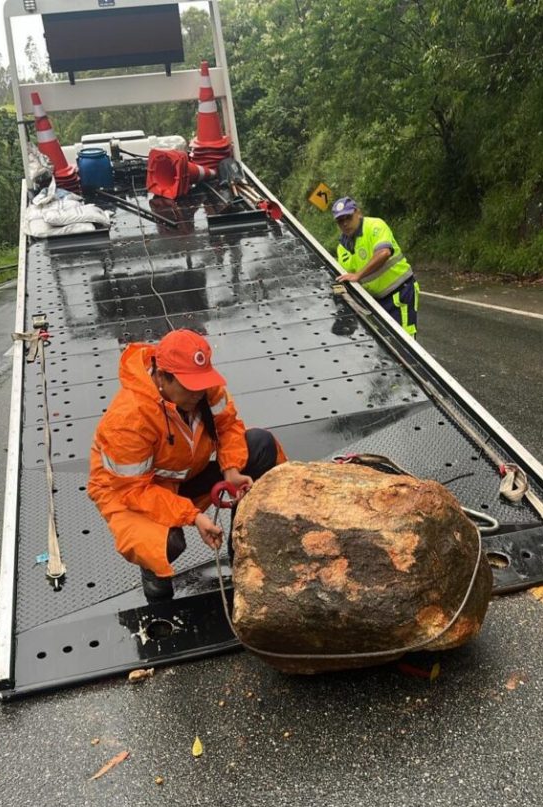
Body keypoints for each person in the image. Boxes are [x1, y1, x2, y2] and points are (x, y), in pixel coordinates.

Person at [88, 329, 285, 602]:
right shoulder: (128, 419)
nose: (199, 393)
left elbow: (228, 426)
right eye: (190, 387)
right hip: (131, 495)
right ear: (162, 377)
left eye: (202, 384)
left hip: (184, 476)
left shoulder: (204, 388)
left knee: (260, 445)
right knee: (166, 543)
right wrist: (193, 516)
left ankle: (242, 550)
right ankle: (154, 574)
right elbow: (134, 491)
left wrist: (231, 470)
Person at [332, 197, 419, 337]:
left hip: (400, 292)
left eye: (348, 217)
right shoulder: (342, 248)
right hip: (376, 301)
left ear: (358, 213)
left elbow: (384, 253)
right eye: (340, 221)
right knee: (385, 343)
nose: (345, 223)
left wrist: (358, 275)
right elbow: (346, 278)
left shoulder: (374, 225)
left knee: (405, 341)